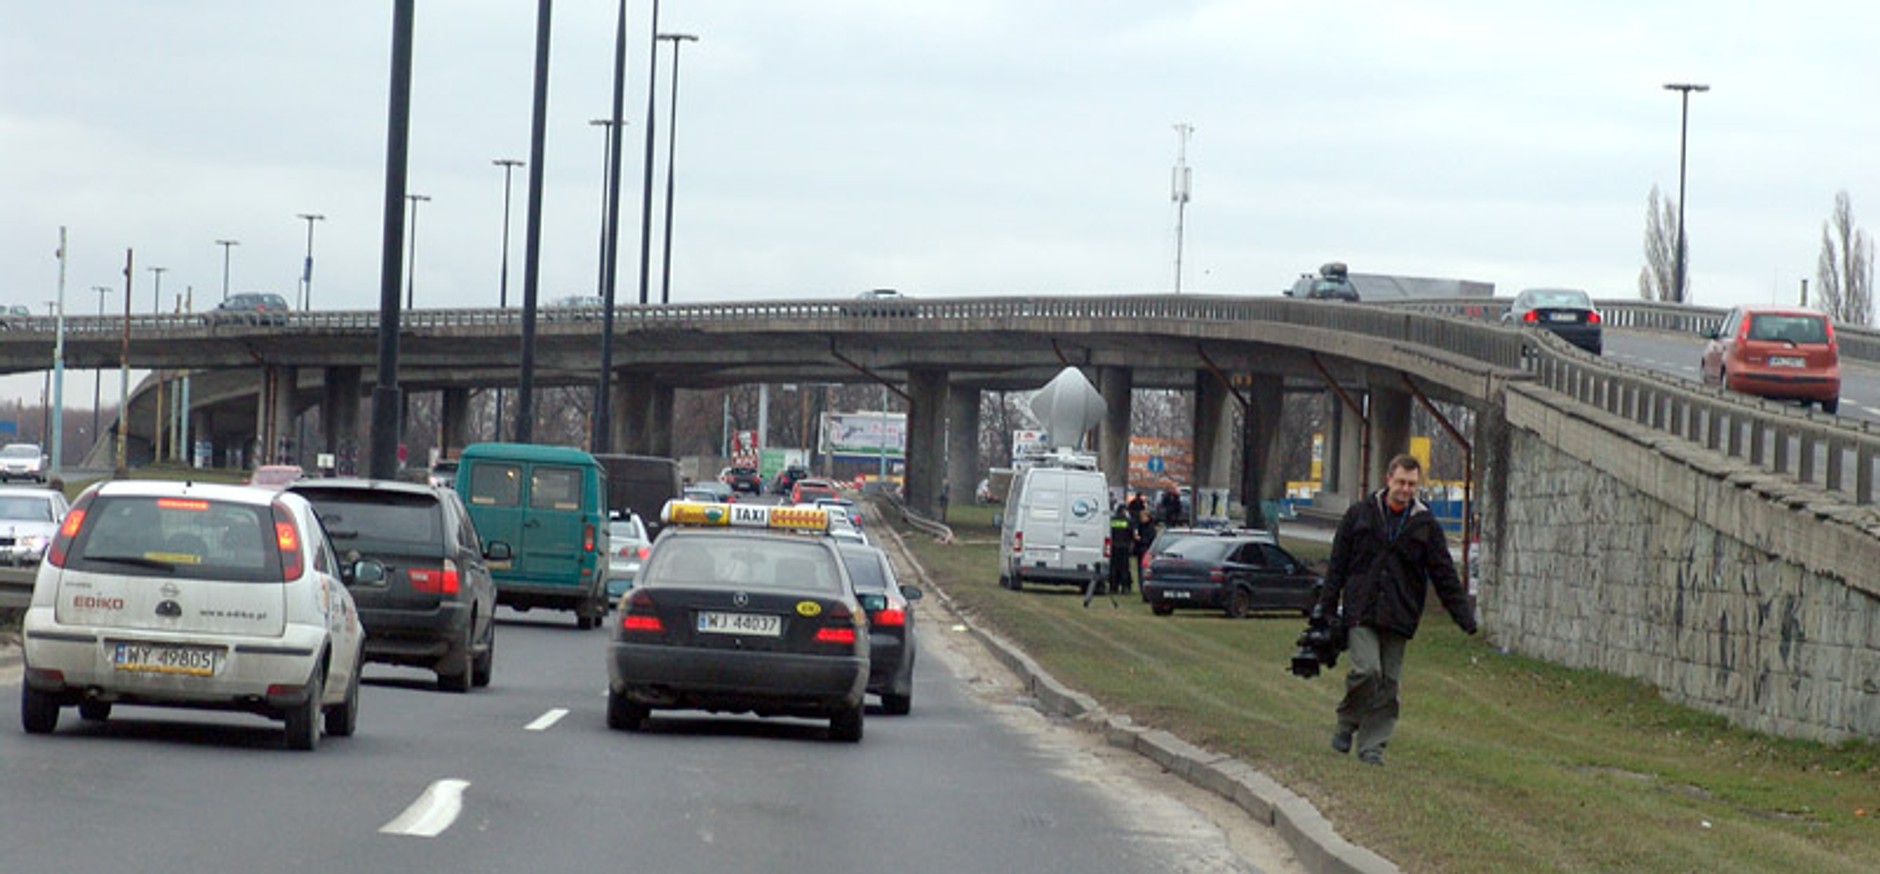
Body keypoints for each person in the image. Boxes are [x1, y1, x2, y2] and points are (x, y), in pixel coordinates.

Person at [1317, 453, 1476, 767]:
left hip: (1400, 613)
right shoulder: (1359, 515)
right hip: (1362, 608)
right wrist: (1326, 606)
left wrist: (1463, 617)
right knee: (1366, 670)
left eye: (1412, 484)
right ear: (1388, 479)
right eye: (1401, 482)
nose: (1406, 489)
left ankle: (1372, 747)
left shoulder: (1425, 525)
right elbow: (1337, 566)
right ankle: (1347, 723)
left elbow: (1443, 574)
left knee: (1389, 684)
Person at [1107, 502, 1136, 595]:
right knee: (1124, 568)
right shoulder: (1128, 521)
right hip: (1124, 547)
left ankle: (1113, 587)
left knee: (1113, 567)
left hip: (1114, 547)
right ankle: (1125, 587)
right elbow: (1132, 534)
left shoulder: (1112, 520)